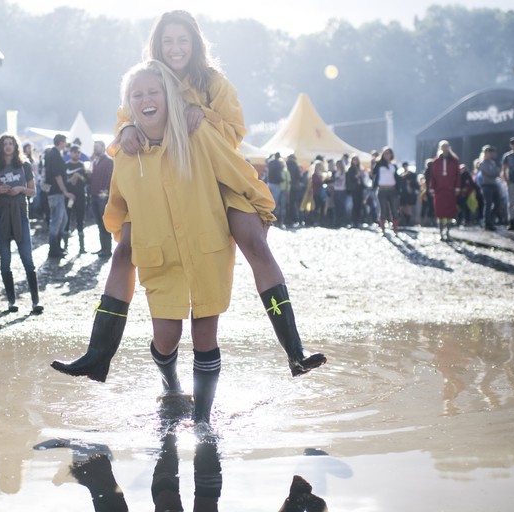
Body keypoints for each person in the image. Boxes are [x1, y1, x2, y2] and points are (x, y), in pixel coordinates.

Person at [52, 10, 326, 384]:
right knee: (123, 252)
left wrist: (203, 113)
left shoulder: (213, 81)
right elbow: (125, 114)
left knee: (256, 245)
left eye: (183, 40)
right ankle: (98, 355)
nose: (176, 47)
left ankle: (294, 350)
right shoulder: (147, 77)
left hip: (212, 174)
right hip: (158, 178)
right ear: (157, 44)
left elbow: (233, 132)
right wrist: (130, 126)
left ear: (195, 43)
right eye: (168, 40)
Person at [102, 60, 276, 423]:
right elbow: (119, 203)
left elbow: (235, 151)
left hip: (204, 236)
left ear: (170, 95)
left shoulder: (208, 94)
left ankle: (203, 416)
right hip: (161, 252)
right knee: (165, 338)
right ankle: (169, 383)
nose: (146, 99)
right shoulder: (128, 149)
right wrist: (126, 129)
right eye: (138, 95)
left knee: (205, 335)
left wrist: (200, 113)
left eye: (154, 93)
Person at [0, 133, 43, 314]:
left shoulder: (24, 166)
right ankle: (11, 301)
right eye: (5, 144)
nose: (8, 146)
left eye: (11, 143)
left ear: (16, 147)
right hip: (1, 216)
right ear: (1, 148)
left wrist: (20, 189)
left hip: (20, 215)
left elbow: (33, 192)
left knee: (27, 259)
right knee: (5, 260)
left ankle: (35, 301)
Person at [44, 134, 76, 257]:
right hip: (56, 192)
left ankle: (56, 247)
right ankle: (54, 249)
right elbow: (57, 175)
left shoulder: (51, 154)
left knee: (61, 220)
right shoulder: (55, 155)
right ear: (61, 142)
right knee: (57, 221)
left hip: (54, 192)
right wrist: (65, 191)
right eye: (65, 142)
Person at [429, 140, 461, 241]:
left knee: (449, 211)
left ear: (449, 147)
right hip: (439, 190)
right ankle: (441, 232)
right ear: (440, 148)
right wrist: (432, 187)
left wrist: (457, 187)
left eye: (446, 146)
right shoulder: (436, 161)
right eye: (443, 147)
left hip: (450, 190)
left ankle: (447, 232)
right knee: (440, 211)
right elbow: (433, 176)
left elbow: (457, 175)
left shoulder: (454, 161)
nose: (445, 148)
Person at [89, 140, 114, 257]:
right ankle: (102, 248)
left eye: (97, 147)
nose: (94, 149)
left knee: (105, 223)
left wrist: (104, 194)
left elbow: (110, 179)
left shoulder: (109, 161)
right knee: (99, 224)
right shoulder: (94, 162)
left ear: (103, 148)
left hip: (102, 197)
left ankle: (107, 249)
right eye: (94, 147)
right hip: (94, 195)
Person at [64, 144, 89, 254]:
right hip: (69, 197)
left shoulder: (83, 165)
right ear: (70, 153)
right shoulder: (66, 166)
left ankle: (82, 247)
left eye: (78, 152)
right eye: (74, 152)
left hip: (80, 197)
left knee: (80, 220)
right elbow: (63, 181)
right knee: (67, 219)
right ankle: (65, 247)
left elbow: (87, 181)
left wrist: (80, 177)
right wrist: (71, 179)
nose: (76, 154)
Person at [372, 147, 400, 234]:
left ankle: (395, 229)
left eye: (388, 153)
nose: (387, 155)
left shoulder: (394, 165)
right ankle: (383, 229)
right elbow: (373, 174)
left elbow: (397, 178)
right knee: (383, 210)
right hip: (382, 189)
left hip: (392, 189)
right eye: (385, 153)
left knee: (394, 210)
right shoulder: (379, 165)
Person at [477, 145, 501, 231]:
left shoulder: (493, 162)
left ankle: (490, 219)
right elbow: (491, 173)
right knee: (488, 204)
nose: (490, 154)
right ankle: (487, 222)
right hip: (486, 186)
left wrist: (495, 172)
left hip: (494, 185)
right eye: (488, 152)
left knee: (497, 204)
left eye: (491, 152)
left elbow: (497, 172)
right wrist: (495, 172)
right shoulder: (482, 163)